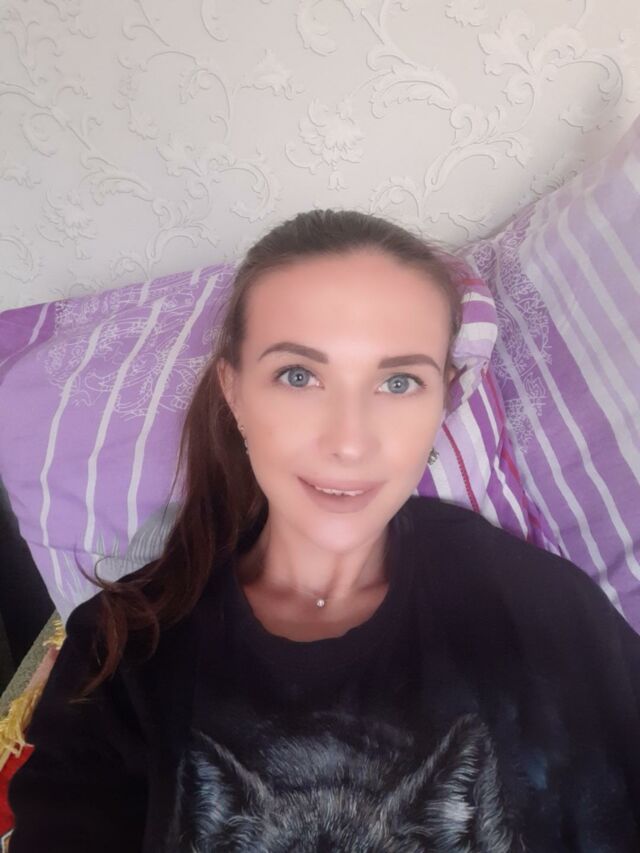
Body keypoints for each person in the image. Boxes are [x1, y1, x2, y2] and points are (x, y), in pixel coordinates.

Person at [7, 209, 640, 852]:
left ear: (442, 401)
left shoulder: (539, 607)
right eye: (299, 376)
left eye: (398, 382)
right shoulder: (121, 651)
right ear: (234, 391)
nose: (349, 441)